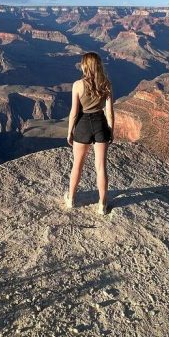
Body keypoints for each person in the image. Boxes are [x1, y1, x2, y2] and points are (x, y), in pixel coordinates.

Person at [65, 51, 114, 215]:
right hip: (101, 124)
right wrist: (110, 131)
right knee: (101, 166)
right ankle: (102, 204)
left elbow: (73, 112)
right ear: (98, 65)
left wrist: (70, 132)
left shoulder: (77, 85)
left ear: (84, 66)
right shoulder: (106, 83)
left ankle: (71, 199)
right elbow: (110, 112)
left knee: (77, 164)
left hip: (83, 124)